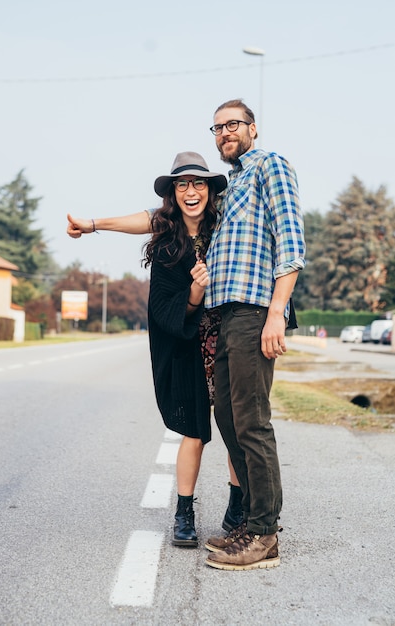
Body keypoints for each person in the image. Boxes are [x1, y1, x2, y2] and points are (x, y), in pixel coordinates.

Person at [67, 152, 243, 546]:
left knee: (235, 429)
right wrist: (195, 291)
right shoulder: (168, 242)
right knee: (195, 432)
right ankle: (184, 515)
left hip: (231, 337)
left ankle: (237, 510)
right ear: (173, 193)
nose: (190, 191)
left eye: (199, 183)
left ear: (212, 189)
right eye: (181, 184)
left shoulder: (228, 222)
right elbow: (146, 223)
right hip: (189, 344)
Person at [202, 99, 305, 570]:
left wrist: (276, 314)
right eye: (218, 127)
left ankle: (265, 535)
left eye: (233, 124)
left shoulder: (270, 166)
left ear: (253, 129)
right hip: (225, 315)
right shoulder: (231, 185)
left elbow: (291, 242)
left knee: (252, 421)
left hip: (255, 310)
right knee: (227, 417)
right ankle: (250, 520)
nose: (225, 132)